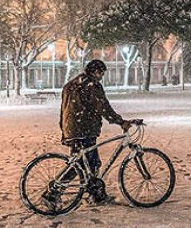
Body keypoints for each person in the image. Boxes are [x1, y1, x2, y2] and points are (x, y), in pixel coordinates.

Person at [54, 59, 136, 206]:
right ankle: (53, 193)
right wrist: (120, 121)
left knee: (90, 163)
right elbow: (103, 107)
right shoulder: (91, 85)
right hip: (84, 129)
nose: (101, 76)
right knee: (81, 165)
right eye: (101, 73)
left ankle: (97, 195)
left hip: (73, 128)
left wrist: (64, 130)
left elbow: (63, 110)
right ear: (95, 71)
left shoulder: (71, 84)